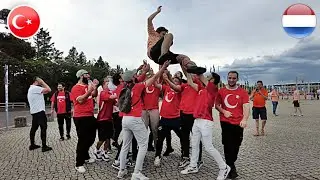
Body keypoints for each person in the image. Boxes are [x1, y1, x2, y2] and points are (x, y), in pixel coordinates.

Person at [117, 61, 170, 179]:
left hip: (125, 119)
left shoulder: (122, 88)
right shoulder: (138, 86)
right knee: (143, 145)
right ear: (133, 78)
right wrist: (163, 68)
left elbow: (138, 76)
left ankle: (121, 170)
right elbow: (155, 77)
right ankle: (137, 172)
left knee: (125, 145)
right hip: (135, 119)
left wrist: (143, 70)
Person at [181, 72, 230, 180]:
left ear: (213, 81)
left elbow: (201, 76)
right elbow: (190, 81)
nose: (207, 78)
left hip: (206, 121)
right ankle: (193, 166)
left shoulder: (212, 88)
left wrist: (197, 70)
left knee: (208, 147)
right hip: (197, 120)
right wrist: (187, 71)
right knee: (194, 144)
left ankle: (224, 167)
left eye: (209, 77)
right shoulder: (201, 88)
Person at [147, 6, 206, 75]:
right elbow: (149, 19)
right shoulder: (153, 33)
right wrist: (157, 12)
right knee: (169, 35)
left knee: (183, 57)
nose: (164, 36)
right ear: (159, 32)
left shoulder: (165, 43)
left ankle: (191, 68)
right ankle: (163, 55)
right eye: (163, 34)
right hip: (153, 52)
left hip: (161, 57)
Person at [215, 71, 250, 179]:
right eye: (230, 78)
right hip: (225, 121)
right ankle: (230, 167)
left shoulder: (242, 92)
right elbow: (216, 105)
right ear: (227, 78)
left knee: (236, 145)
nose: (231, 80)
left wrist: (244, 119)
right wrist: (223, 111)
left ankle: (231, 161)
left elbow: (246, 106)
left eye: (234, 78)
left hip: (238, 122)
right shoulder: (221, 91)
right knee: (227, 144)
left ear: (237, 79)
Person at [71, 69, 99, 173]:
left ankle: (86, 156)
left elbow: (94, 95)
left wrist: (94, 88)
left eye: (88, 75)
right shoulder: (76, 88)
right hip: (80, 116)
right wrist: (89, 90)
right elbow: (80, 100)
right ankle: (79, 163)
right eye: (86, 75)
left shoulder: (88, 86)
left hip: (90, 115)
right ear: (81, 76)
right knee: (82, 140)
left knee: (91, 138)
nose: (88, 76)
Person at [154, 73, 183, 167]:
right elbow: (156, 85)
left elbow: (175, 87)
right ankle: (157, 156)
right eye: (173, 80)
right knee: (160, 138)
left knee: (183, 137)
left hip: (176, 118)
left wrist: (167, 79)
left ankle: (184, 155)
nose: (174, 81)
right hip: (165, 118)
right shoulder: (166, 88)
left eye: (176, 80)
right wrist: (153, 76)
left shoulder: (179, 88)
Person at [179, 71, 203, 169]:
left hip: (193, 115)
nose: (191, 76)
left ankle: (198, 159)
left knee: (196, 138)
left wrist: (187, 68)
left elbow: (190, 78)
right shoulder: (185, 85)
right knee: (184, 137)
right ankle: (186, 157)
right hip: (183, 113)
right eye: (190, 74)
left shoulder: (199, 84)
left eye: (194, 74)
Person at [94, 78, 117, 161]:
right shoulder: (103, 93)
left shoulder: (110, 93)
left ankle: (104, 152)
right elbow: (112, 97)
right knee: (102, 138)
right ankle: (96, 150)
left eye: (110, 84)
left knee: (108, 138)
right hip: (102, 119)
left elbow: (116, 103)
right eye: (107, 84)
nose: (109, 85)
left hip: (109, 119)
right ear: (103, 85)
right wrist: (119, 91)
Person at [27, 77, 52, 152]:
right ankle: (44, 146)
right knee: (43, 128)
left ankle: (32, 144)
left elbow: (45, 92)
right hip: (40, 112)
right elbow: (49, 89)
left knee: (34, 128)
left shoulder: (31, 89)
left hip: (34, 112)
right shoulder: (35, 88)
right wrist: (42, 82)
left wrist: (42, 85)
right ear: (36, 81)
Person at [141, 69, 162, 152]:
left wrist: (162, 66)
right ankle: (142, 148)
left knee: (155, 130)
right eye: (149, 76)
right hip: (144, 109)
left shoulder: (157, 86)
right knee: (143, 130)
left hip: (154, 109)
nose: (151, 78)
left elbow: (160, 75)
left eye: (152, 76)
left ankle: (157, 149)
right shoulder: (144, 86)